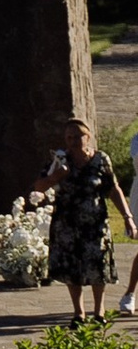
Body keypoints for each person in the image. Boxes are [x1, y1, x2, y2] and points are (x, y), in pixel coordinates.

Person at [45, 117, 136, 324]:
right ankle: (78, 313)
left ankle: (99, 311)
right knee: (72, 269)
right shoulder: (59, 160)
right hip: (67, 225)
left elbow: (114, 189)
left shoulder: (100, 159)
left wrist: (127, 217)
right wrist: (56, 176)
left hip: (95, 224)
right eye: (69, 137)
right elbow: (39, 186)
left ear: (88, 137)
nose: (74, 141)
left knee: (98, 266)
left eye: (78, 136)